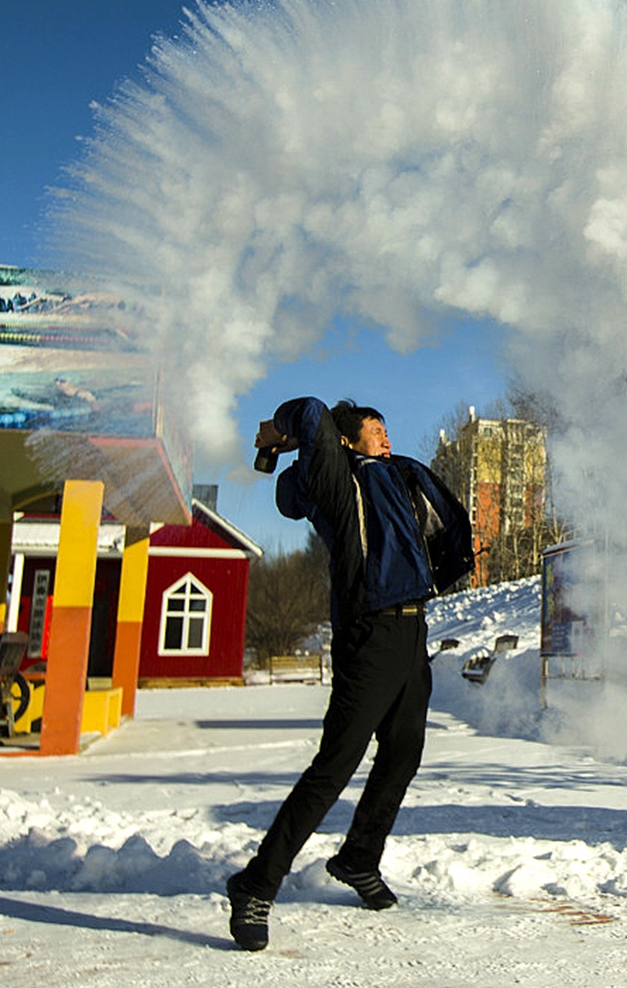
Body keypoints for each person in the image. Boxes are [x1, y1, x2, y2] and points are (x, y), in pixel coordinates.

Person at [226, 396, 473, 952]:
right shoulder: (338, 483)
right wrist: (280, 436)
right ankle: (256, 883)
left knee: (404, 752)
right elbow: (311, 412)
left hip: (412, 631)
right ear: (345, 442)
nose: (385, 436)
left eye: (387, 427)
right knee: (335, 764)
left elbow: (436, 530)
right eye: (373, 429)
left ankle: (359, 857)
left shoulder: (396, 476)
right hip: (370, 634)